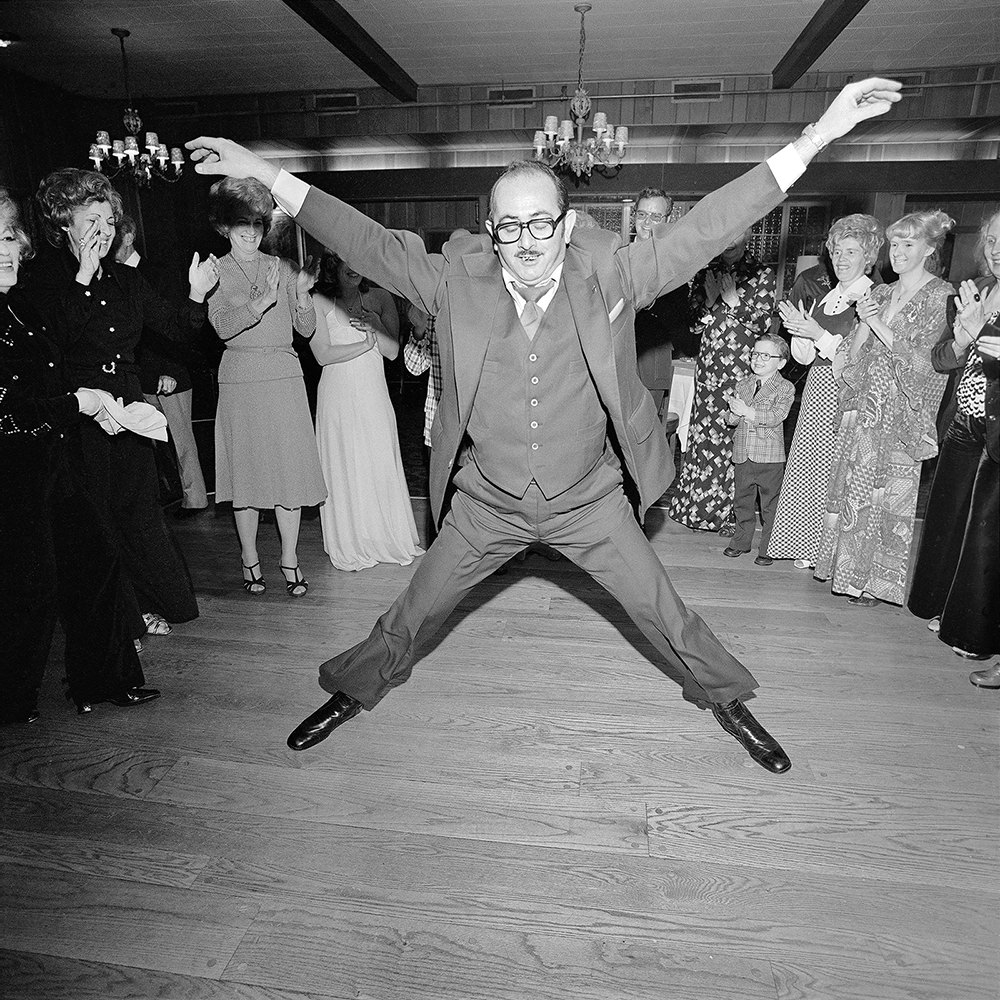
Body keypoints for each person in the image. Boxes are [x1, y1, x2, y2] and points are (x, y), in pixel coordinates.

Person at [188, 76, 903, 775]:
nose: (526, 240)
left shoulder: (612, 276)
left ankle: (727, 699)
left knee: (664, 609)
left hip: (587, 500)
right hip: (487, 501)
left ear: (565, 226)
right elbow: (363, 239)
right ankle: (357, 688)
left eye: (540, 223)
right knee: (415, 606)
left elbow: (706, 227)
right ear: (492, 231)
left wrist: (819, 135)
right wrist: (264, 172)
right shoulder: (451, 281)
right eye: (509, 225)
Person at [29, 169, 217, 644]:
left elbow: (175, 329)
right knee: (97, 525)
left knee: (139, 516)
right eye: (92, 220)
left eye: (109, 220)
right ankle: (119, 620)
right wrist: (82, 279)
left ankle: (151, 604)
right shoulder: (44, 283)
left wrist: (196, 294)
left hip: (130, 411)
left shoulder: (128, 281)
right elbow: (50, 349)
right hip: (80, 415)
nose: (104, 230)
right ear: (63, 225)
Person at [0, 188, 159, 721]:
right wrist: (80, 401)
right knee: (31, 587)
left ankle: (101, 681)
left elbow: (63, 353)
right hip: (13, 469)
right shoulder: (37, 289)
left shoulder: (20, 302)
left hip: (52, 454)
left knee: (97, 560)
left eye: (6, 237)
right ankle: (13, 701)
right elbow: (14, 407)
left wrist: (86, 402)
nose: (5, 250)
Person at [814, 210, 954, 607]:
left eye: (908, 244)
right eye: (894, 244)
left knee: (887, 497)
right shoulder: (880, 293)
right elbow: (853, 358)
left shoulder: (941, 296)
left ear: (929, 249)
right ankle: (845, 573)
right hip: (865, 408)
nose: (898, 252)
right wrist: (863, 322)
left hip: (901, 412)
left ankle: (875, 583)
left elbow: (927, 361)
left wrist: (877, 324)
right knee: (852, 489)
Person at [207, 177, 327, 596]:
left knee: (288, 476)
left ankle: (290, 559)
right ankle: (249, 558)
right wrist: (258, 304)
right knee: (248, 480)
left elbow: (306, 329)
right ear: (224, 226)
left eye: (257, 223)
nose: (251, 232)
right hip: (240, 379)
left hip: (285, 378)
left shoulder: (284, 266)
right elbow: (221, 326)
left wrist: (303, 294)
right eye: (241, 223)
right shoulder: (214, 271)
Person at [907, 208, 1000, 676]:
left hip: (998, 426)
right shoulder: (979, 291)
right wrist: (965, 332)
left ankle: (975, 631)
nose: (998, 250)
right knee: (950, 516)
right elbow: (942, 359)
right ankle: (946, 608)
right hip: (963, 420)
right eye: (993, 240)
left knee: (985, 528)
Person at [771, 215, 884, 568]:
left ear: (868, 256)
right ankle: (807, 546)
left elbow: (860, 358)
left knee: (838, 473)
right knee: (811, 469)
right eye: (836, 251)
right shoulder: (829, 296)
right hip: (818, 391)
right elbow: (805, 359)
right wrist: (798, 331)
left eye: (851, 251)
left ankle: (831, 551)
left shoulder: (871, 297)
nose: (841, 259)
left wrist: (816, 332)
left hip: (846, 393)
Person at [311, 253, 422, 571]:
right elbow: (322, 355)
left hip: (373, 393)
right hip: (337, 394)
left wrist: (375, 325)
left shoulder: (382, 297)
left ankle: (383, 536)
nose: (354, 268)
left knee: (377, 459)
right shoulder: (320, 300)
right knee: (345, 462)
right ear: (335, 265)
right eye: (346, 262)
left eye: (359, 260)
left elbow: (391, 352)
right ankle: (351, 539)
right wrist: (362, 345)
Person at [666, 231, 777, 534]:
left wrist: (733, 301)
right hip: (708, 369)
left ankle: (732, 515)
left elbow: (765, 323)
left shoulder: (761, 273)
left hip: (742, 370)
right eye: (725, 234)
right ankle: (696, 508)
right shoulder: (707, 272)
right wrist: (708, 304)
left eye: (736, 235)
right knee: (704, 436)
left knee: (734, 439)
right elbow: (690, 324)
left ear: (748, 235)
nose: (729, 241)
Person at [116, 213, 210, 522]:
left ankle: (196, 500)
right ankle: (166, 497)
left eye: (113, 232)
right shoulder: (111, 279)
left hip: (169, 374)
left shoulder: (157, 274)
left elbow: (175, 327)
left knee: (182, 441)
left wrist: (168, 370)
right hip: (137, 376)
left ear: (128, 237)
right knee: (149, 445)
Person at [721, 335, 795, 565]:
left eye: (766, 355)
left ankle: (768, 547)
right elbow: (733, 420)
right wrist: (731, 412)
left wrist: (745, 411)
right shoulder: (743, 384)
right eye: (754, 354)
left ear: (780, 362)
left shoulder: (785, 387)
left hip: (769, 457)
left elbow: (776, 417)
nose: (758, 359)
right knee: (742, 501)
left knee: (770, 505)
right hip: (743, 453)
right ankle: (741, 541)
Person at [631, 188, 690, 414]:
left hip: (651, 366)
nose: (647, 223)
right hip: (613, 365)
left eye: (656, 217)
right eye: (642, 214)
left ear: (667, 220)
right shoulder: (615, 254)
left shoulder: (676, 265)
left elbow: (679, 321)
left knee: (644, 438)